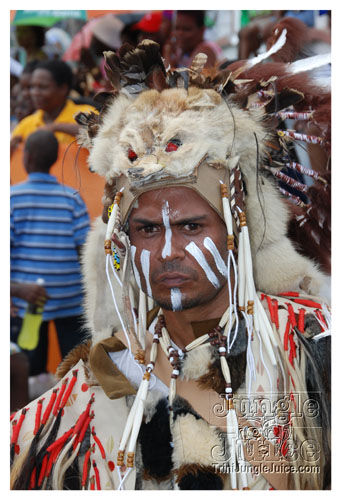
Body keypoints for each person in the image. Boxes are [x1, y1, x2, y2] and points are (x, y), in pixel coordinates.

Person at [10, 41, 330, 490]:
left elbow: (306, 473)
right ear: (119, 241)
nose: (167, 252)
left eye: (191, 226)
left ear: (236, 227)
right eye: (146, 230)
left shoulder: (305, 341)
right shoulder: (108, 367)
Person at [10, 130, 90, 378]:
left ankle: (31, 415)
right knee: (75, 369)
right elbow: (84, 251)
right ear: (56, 157)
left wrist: (14, 289)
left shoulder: (12, 199)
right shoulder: (72, 199)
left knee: (29, 371)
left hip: (30, 301)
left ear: (28, 158)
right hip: (71, 302)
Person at [10, 59, 96, 154]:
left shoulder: (86, 113)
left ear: (63, 88)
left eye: (43, 87)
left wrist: (56, 127)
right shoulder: (26, 125)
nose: (35, 93)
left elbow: (99, 135)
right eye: (33, 87)